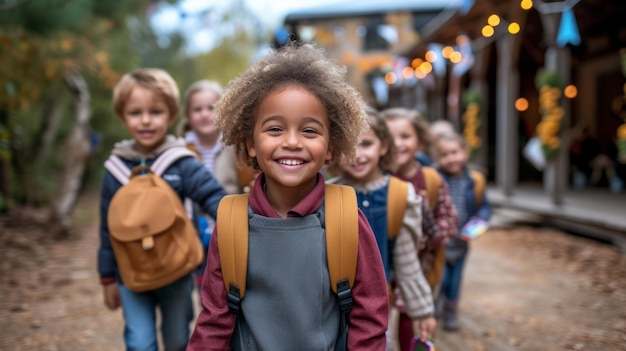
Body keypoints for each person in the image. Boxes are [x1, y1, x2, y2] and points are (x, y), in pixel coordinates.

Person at [187, 43, 389, 350]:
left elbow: (370, 316)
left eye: (309, 131)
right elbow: (215, 319)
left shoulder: (346, 217)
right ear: (250, 142)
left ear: (331, 146)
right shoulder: (230, 222)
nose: (292, 141)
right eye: (275, 128)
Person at [98, 68, 227, 351]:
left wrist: (241, 220)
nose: (145, 120)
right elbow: (108, 229)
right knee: (139, 342)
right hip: (130, 273)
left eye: (155, 112)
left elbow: (213, 197)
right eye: (135, 113)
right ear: (122, 117)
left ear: (171, 116)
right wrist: (107, 277)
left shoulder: (181, 162)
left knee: (179, 338)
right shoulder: (115, 169)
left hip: (177, 269)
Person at [327, 107, 436, 349]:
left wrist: (422, 310)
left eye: (366, 144)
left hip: (376, 310)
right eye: (348, 146)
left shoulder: (399, 195)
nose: (356, 155)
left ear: (383, 146)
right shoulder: (326, 194)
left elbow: (407, 261)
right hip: (329, 310)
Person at [382, 107, 459, 351]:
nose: (398, 144)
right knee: (378, 314)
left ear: (420, 142)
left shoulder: (431, 179)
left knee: (410, 314)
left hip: (418, 264)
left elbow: (449, 218)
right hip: (382, 261)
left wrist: (429, 240)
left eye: (405, 136)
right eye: (391, 136)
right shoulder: (376, 178)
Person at [178, 80, 255, 286]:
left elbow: (247, 184)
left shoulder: (236, 147)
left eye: (211, 108)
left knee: (230, 285)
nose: (205, 114)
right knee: (202, 289)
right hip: (192, 232)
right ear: (187, 115)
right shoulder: (180, 150)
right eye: (197, 109)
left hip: (229, 229)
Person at [433, 133, 491, 331]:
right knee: (442, 278)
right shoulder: (435, 179)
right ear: (437, 158)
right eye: (444, 154)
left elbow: (483, 207)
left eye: (454, 152)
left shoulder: (474, 180)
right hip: (440, 243)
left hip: (462, 242)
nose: (450, 158)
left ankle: (450, 312)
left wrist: (480, 222)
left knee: (455, 281)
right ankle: (434, 308)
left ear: (465, 153)